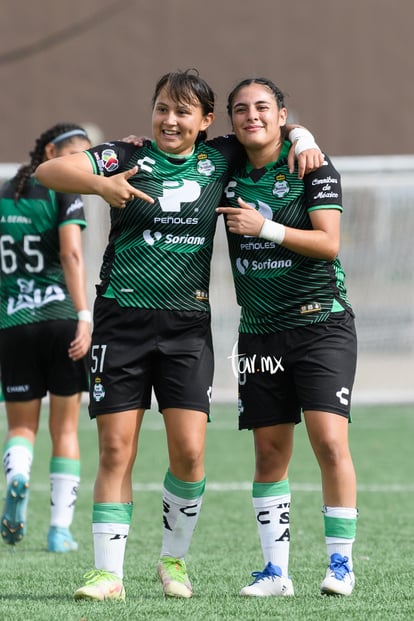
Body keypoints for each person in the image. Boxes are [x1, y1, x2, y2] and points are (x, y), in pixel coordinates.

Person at [35, 69, 322, 602]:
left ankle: (173, 560)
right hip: (121, 320)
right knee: (116, 448)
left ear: (205, 121)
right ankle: (108, 574)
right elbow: (48, 170)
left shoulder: (222, 157)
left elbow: (267, 130)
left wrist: (304, 136)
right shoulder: (125, 155)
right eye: (163, 108)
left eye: (183, 112)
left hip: (187, 327)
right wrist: (101, 184)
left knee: (189, 453)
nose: (170, 120)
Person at [217, 78, 358, 597]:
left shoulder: (311, 165)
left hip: (321, 323)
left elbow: (329, 242)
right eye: (239, 109)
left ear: (281, 113)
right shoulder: (225, 168)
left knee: (328, 440)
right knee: (269, 454)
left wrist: (264, 228)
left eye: (262, 107)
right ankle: (276, 573)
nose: (251, 116)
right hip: (258, 334)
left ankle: (340, 565)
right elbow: (180, 149)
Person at [0, 123, 92, 553]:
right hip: (61, 321)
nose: (83, 166)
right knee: (66, 429)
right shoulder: (65, 191)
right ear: (53, 152)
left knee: (21, 426)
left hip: (13, 324)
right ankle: (59, 530)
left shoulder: (4, 193)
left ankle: (18, 475)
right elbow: (72, 253)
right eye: (77, 156)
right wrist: (85, 315)